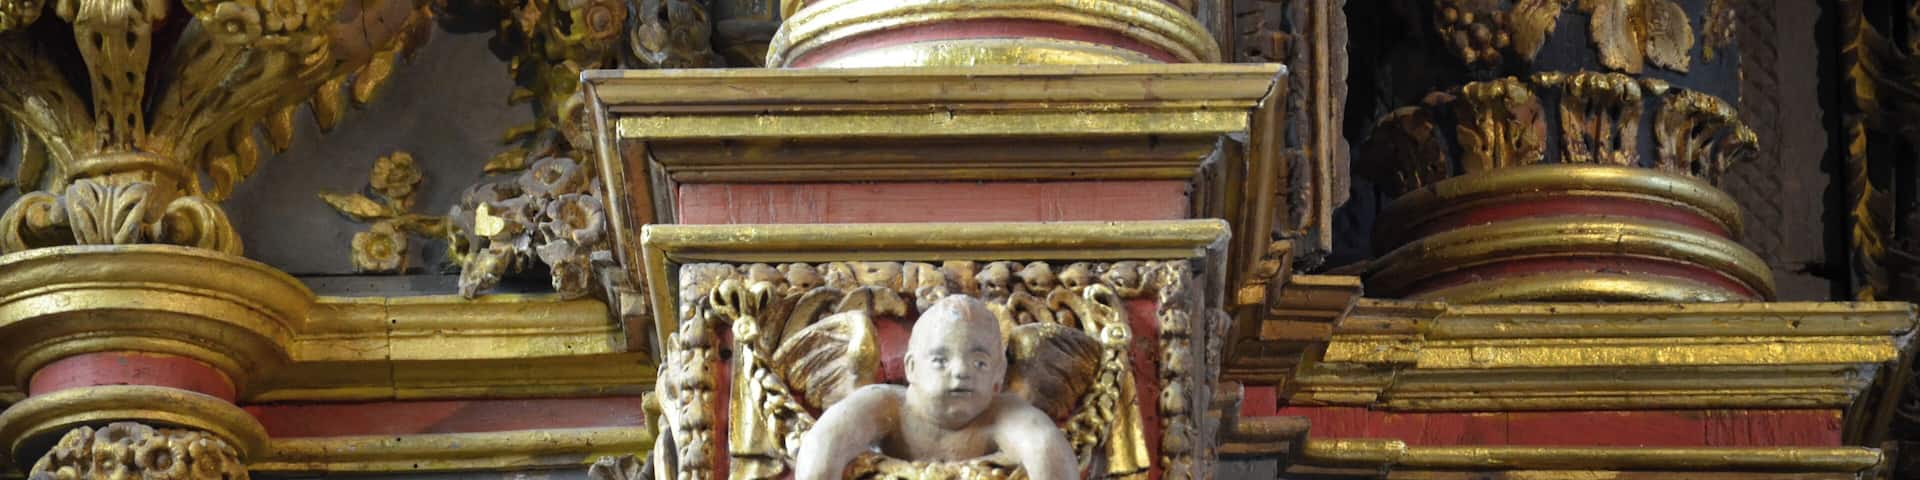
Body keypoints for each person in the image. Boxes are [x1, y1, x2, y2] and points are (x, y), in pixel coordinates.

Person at [793, 295, 1078, 480]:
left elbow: (1044, 449)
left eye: (979, 363)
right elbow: (824, 442)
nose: (961, 372)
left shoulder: (1004, 414)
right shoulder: (884, 405)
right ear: (911, 368)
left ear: (999, 372)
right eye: (940, 360)